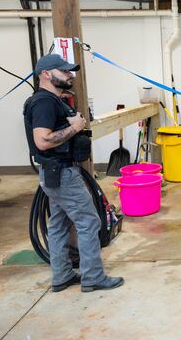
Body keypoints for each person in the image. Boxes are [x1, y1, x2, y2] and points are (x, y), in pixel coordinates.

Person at [23, 54, 124, 293]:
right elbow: (43, 141)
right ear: (46, 74)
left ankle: (62, 275)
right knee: (89, 222)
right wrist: (75, 127)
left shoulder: (51, 101)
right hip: (62, 173)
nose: (70, 75)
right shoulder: (44, 103)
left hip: (54, 173)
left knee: (58, 224)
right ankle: (93, 277)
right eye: (64, 71)